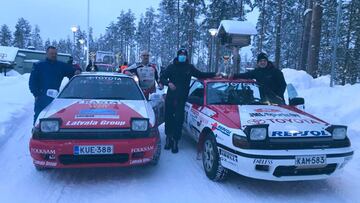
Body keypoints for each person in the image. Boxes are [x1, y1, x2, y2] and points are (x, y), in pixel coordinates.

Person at [159, 48, 219, 153]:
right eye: (180, 54)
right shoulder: (171, 67)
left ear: (186, 56)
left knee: (178, 120)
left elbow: (201, 75)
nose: (182, 56)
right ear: (178, 56)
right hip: (170, 98)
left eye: (184, 55)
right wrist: (168, 83)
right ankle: (168, 138)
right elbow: (162, 78)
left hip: (182, 99)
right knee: (168, 118)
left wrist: (214, 74)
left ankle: (175, 141)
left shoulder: (189, 68)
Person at [29, 46, 78, 124]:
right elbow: (32, 82)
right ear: (47, 54)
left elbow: (72, 71)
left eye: (55, 54)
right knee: (39, 117)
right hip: (42, 97)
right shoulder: (38, 66)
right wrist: (36, 94)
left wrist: (77, 70)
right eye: (51, 53)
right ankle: (36, 132)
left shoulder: (61, 66)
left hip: (56, 98)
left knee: (55, 117)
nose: (54, 55)